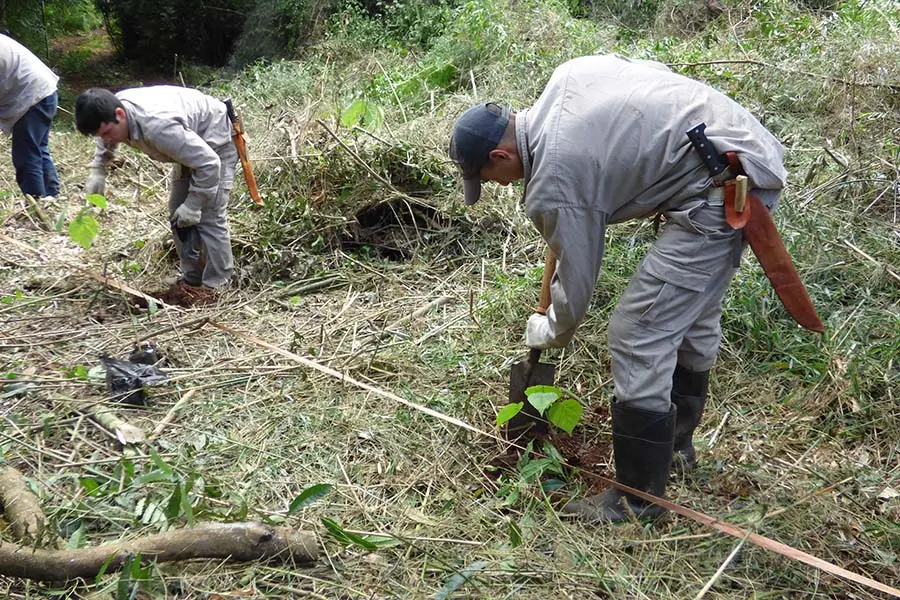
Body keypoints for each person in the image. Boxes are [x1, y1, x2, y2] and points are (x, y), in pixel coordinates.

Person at [449, 54, 787, 523]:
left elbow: (577, 288)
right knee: (687, 315)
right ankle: (674, 451)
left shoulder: (554, 180)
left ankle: (638, 501)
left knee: (638, 333)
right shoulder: (568, 75)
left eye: (489, 179)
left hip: (721, 188)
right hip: (741, 149)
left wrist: (546, 331)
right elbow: (653, 81)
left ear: (500, 156)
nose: (500, 186)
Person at [75, 86, 238, 290]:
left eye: (108, 133)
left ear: (120, 114)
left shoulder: (158, 127)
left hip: (217, 142)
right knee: (178, 213)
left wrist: (194, 205)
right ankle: (192, 278)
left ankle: (218, 285)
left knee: (209, 215)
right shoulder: (109, 112)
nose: (107, 139)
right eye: (100, 135)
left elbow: (210, 164)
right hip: (190, 144)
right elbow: (104, 136)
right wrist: (99, 168)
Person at [0, 33, 60, 199]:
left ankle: (36, 203)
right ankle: (51, 198)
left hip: (32, 96)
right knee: (37, 149)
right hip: (44, 91)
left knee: (26, 155)